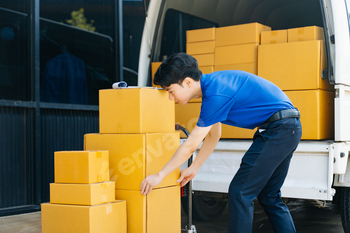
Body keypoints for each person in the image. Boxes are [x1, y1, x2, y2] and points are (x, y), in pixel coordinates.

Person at [140, 52, 301, 233]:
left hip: (279, 129)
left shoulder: (216, 93)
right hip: (287, 128)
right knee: (269, 196)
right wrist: (195, 167)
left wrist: (159, 176)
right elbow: (213, 135)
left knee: (240, 192)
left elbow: (191, 144)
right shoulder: (214, 88)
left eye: (170, 91)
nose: (171, 98)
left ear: (187, 82)